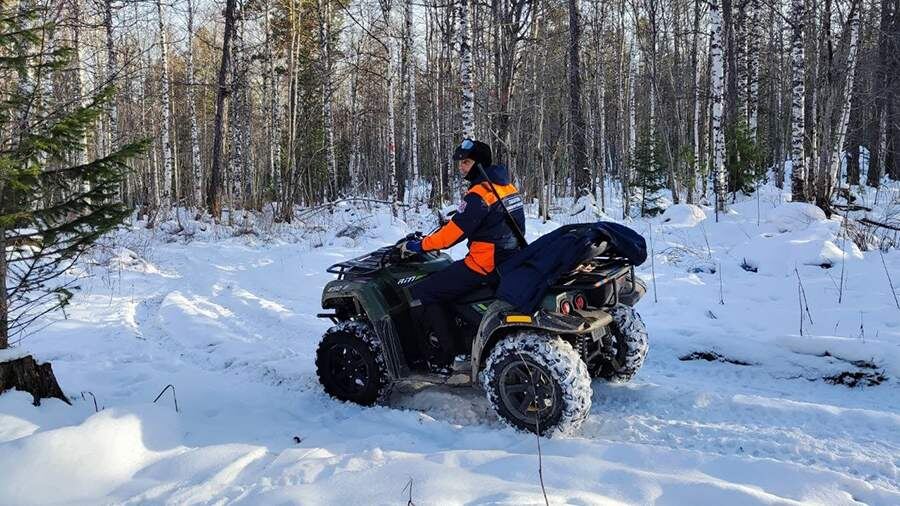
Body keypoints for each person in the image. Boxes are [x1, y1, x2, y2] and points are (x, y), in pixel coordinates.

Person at [401, 139, 526, 369]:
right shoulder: (506, 186)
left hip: (483, 264)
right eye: (460, 162)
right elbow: (496, 221)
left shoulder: (478, 193)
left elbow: (450, 237)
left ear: (479, 164)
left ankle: (446, 355)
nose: (461, 167)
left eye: (466, 162)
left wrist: (420, 246)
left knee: (425, 290)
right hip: (510, 258)